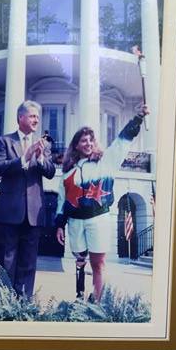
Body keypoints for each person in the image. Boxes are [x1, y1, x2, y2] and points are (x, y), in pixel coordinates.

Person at [56, 105, 150, 304]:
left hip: (98, 219)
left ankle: (98, 303)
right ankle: (80, 299)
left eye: (91, 140)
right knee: (80, 262)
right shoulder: (67, 173)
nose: (88, 143)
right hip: (75, 223)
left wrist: (138, 118)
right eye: (83, 140)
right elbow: (61, 201)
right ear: (76, 145)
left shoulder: (105, 163)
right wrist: (59, 225)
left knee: (98, 264)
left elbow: (120, 142)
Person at [0, 100, 56, 299]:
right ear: (20, 117)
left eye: (37, 117)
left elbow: (50, 172)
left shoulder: (43, 144)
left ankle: (24, 302)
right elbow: (0, 168)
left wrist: (38, 158)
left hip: (34, 212)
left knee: (29, 261)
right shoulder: (4, 141)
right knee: (8, 259)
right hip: (10, 211)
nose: (36, 120)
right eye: (32, 116)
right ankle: (4, 300)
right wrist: (24, 157)